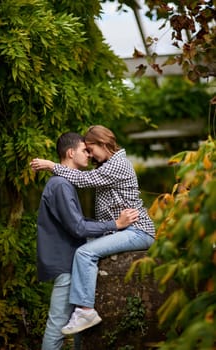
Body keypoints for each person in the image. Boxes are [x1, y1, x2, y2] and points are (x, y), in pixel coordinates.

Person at [31, 125, 155, 336]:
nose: (89, 154)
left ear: (103, 144)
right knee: (83, 250)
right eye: (85, 150)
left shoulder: (118, 165)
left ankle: (85, 310)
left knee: (85, 252)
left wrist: (52, 165)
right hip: (123, 231)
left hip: (136, 230)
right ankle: (80, 314)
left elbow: (83, 180)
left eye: (90, 149)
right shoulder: (108, 166)